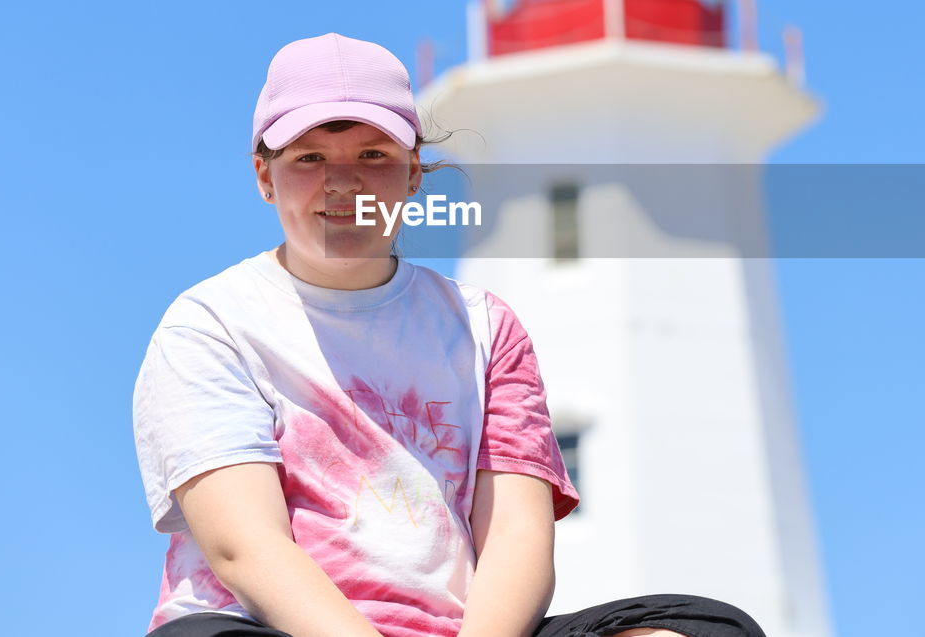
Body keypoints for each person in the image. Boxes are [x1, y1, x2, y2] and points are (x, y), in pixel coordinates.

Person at [132, 33, 767, 637]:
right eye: (309, 159)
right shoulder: (211, 325)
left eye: (373, 156)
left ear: (413, 173)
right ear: (265, 176)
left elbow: (518, 535)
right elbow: (243, 548)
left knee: (709, 625)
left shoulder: (484, 326)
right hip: (269, 627)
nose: (343, 182)